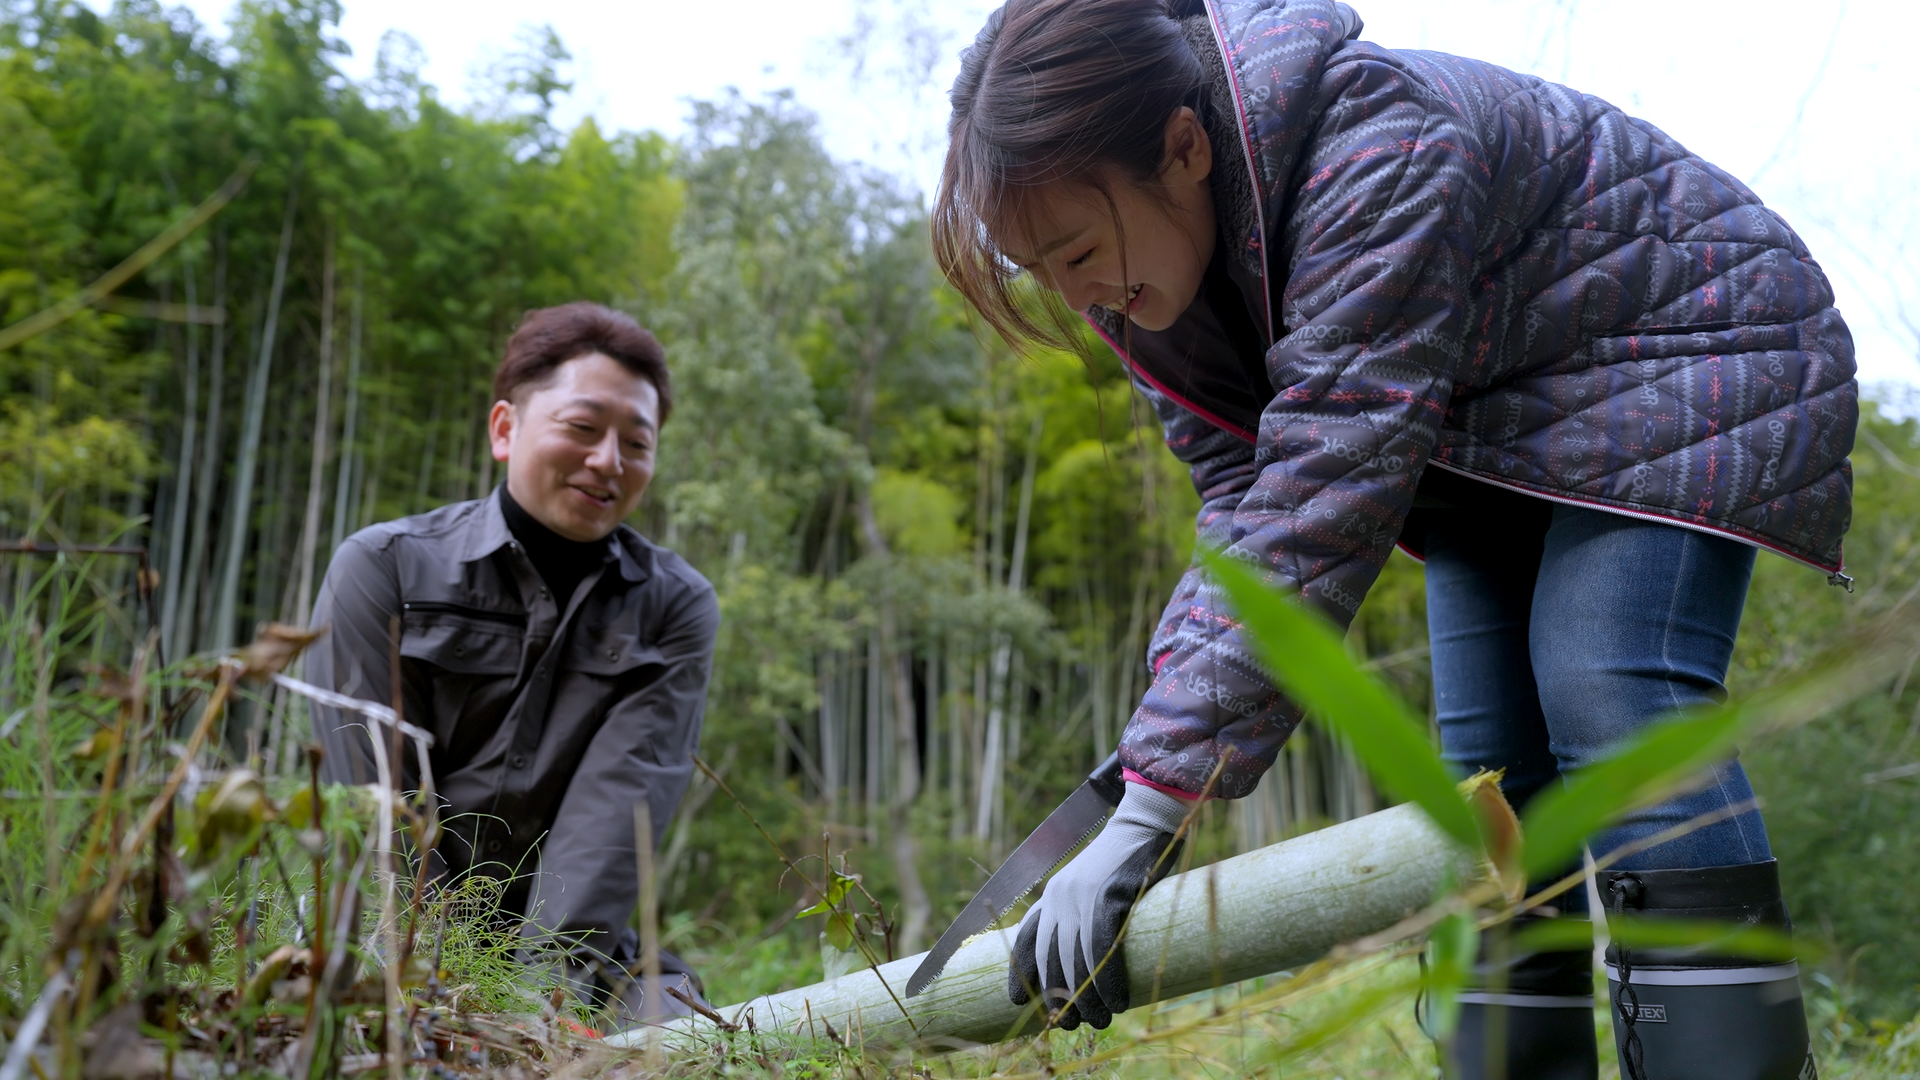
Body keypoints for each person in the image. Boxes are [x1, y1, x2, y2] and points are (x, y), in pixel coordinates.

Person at [933, 2, 1855, 1078]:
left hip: (1685, 347)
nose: (1076, 295)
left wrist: (1147, 813)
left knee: (1607, 682)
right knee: (1480, 791)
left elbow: (1327, 475)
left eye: (1079, 250)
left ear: (1183, 147)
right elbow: (1246, 506)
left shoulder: (1377, 139)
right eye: (1037, 271)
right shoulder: (1147, 296)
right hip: (1486, 435)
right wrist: (1160, 754)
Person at [307, 302, 720, 1025]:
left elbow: (614, 821)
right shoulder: (384, 570)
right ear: (506, 429)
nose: (607, 462)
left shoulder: (674, 608)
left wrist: (531, 1008)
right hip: (384, 929)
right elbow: (374, 814)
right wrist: (438, 992)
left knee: (679, 1040)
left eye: (636, 442)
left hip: (577, 952)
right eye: (583, 429)